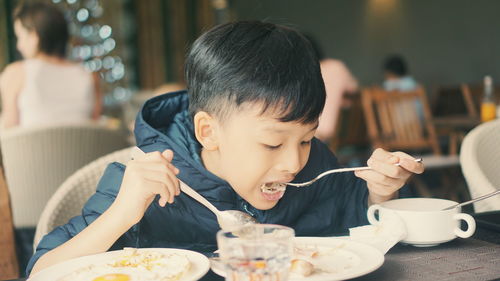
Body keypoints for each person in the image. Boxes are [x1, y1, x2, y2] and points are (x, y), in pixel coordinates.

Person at [27, 21, 423, 276]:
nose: (293, 162)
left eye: (305, 139)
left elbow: (348, 211)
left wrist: (378, 189)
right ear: (208, 132)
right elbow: (41, 270)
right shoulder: (144, 186)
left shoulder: (313, 163)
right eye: (272, 143)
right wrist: (122, 214)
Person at [0, 2, 102, 130]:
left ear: (34, 36)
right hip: (85, 150)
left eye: (20, 37)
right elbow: (94, 131)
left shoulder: (15, 73)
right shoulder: (90, 77)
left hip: (31, 150)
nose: (19, 46)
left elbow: (9, 134)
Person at [305, 34, 358, 143]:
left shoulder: (303, 73)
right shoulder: (336, 66)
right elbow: (355, 90)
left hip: (312, 132)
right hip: (339, 133)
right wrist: (343, 101)